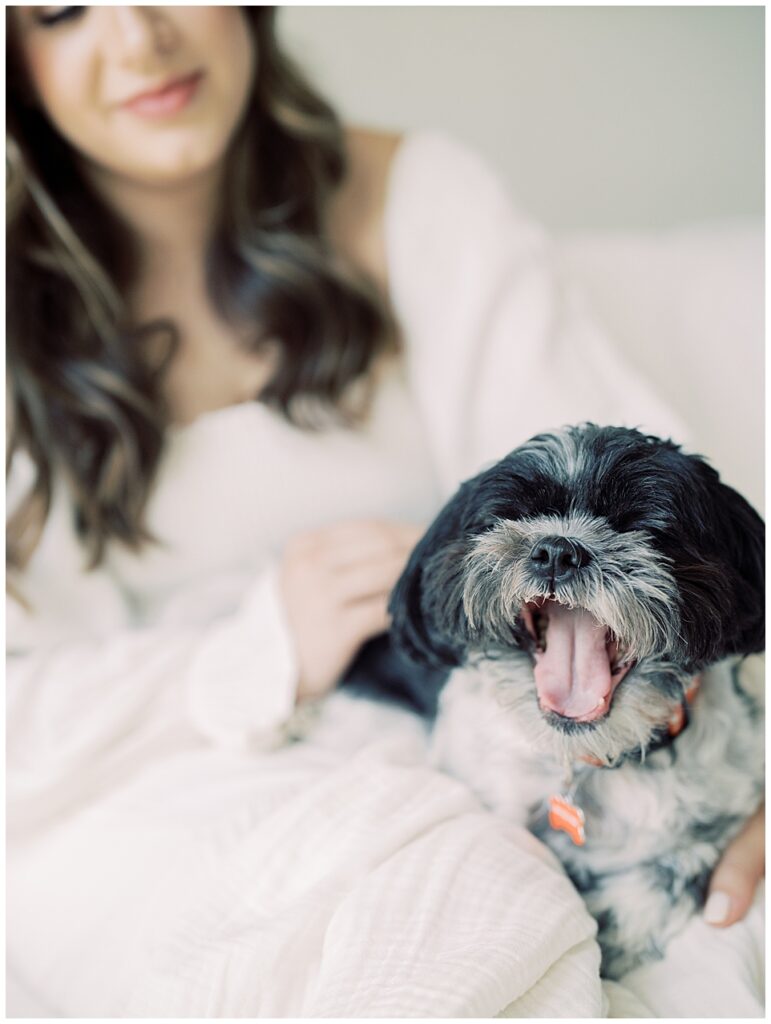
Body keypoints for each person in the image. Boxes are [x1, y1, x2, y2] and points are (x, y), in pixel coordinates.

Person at [6, 6, 763, 1016]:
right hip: (153, 784)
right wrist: (255, 650)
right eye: (63, 7)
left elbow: (652, 508)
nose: (141, 37)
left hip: (472, 739)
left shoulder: (421, 203)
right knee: (463, 903)